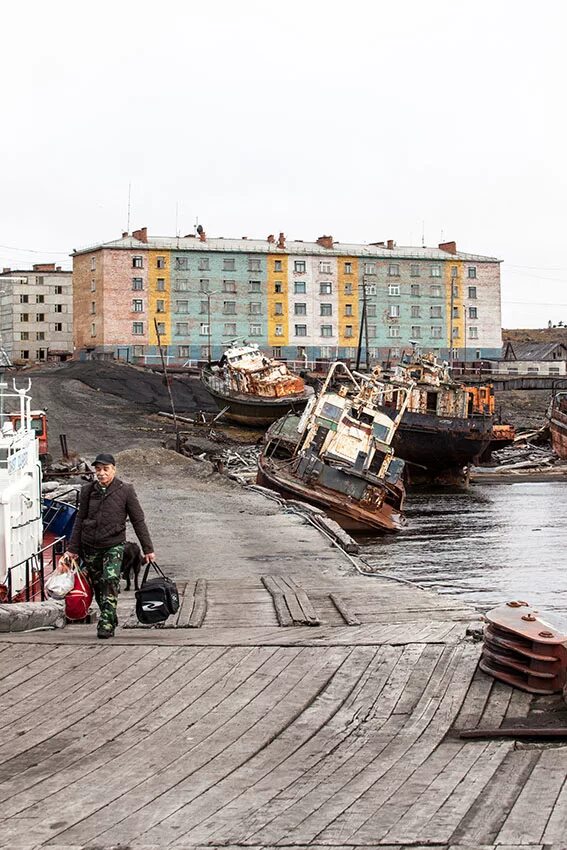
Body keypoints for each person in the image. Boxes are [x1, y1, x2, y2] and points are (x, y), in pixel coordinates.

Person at [65, 453, 155, 639]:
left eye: (105, 469)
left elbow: (138, 521)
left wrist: (148, 549)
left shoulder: (125, 490)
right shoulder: (88, 490)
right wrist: (73, 548)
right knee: (98, 586)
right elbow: (80, 519)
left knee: (111, 579)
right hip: (89, 545)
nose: (101, 473)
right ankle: (110, 614)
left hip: (113, 544)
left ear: (114, 469)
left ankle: (105, 623)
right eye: (98, 470)